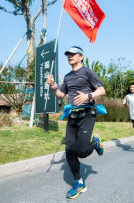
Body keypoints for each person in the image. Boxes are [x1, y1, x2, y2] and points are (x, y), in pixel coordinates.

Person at [46, 46, 106, 199]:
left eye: (73, 54)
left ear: (81, 56)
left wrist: (88, 96)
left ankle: (96, 143)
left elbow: (102, 90)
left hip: (87, 115)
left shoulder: (87, 72)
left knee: (81, 152)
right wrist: (53, 87)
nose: (69, 56)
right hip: (72, 117)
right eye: (68, 54)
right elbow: (60, 96)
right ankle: (79, 182)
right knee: (69, 151)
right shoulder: (67, 77)